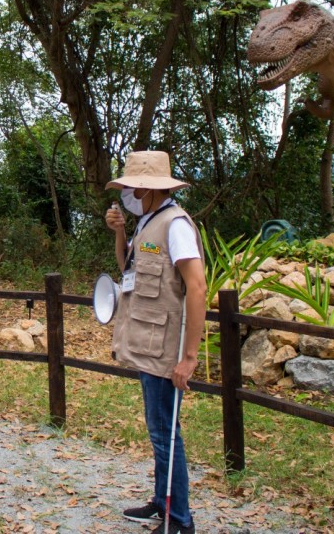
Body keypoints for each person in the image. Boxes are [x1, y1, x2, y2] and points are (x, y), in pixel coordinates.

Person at [104, 151, 206, 534]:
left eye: (132, 187)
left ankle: (180, 521)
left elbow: (196, 287)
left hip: (166, 346)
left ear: (148, 189)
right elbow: (126, 269)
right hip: (149, 342)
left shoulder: (175, 225)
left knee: (166, 434)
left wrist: (189, 357)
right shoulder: (150, 221)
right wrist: (118, 233)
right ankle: (162, 503)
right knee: (159, 431)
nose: (128, 193)